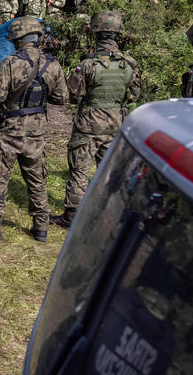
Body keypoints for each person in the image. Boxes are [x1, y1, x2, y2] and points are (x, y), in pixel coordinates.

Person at [0, 16, 68, 241]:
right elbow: (62, 97)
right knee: (37, 179)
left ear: (16, 38)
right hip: (36, 131)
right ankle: (41, 228)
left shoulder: (10, 63)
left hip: (10, 129)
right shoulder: (51, 64)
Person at [51, 11, 140, 228]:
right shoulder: (129, 64)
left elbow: (73, 94)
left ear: (96, 35)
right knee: (111, 170)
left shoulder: (88, 65)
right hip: (116, 123)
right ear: (118, 35)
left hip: (89, 124)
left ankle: (72, 215)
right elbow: (134, 95)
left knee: (80, 170)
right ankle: (112, 213)